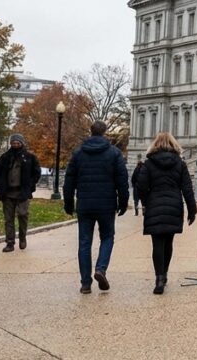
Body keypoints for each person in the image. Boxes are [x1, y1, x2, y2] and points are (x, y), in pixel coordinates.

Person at [63, 120, 129, 294]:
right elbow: (122, 181)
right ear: (104, 132)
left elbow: (69, 180)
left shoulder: (78, 153)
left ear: (90, 132)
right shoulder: (114, 153)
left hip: (85, 203)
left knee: (84, 242)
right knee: (107, 237)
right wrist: (123, 202)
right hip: (106, 203)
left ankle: (85, 283)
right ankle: (101, 268)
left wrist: (68, 202)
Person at [134, 132, 197, 294]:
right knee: (168, 242)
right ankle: (164, 274)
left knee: (157, 243)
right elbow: (187, 188)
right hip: (173, 205)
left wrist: (146, 202)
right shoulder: (180, 164)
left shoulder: (148, 164)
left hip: (155, 204)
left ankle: (159, 278)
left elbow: (140, 187)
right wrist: (192, 209)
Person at [0, 134, 42, 252]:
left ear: (22, 143)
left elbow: (36, 173)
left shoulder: (30, 157)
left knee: (22, 215)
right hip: (7, 193)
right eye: (13, 142)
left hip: (22, 192)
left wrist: (30, 185)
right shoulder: (4, 158)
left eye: (18, 142)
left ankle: (22, 237)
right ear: (11, 143)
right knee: (8, 219)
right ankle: (10, 242)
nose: (15, 144)